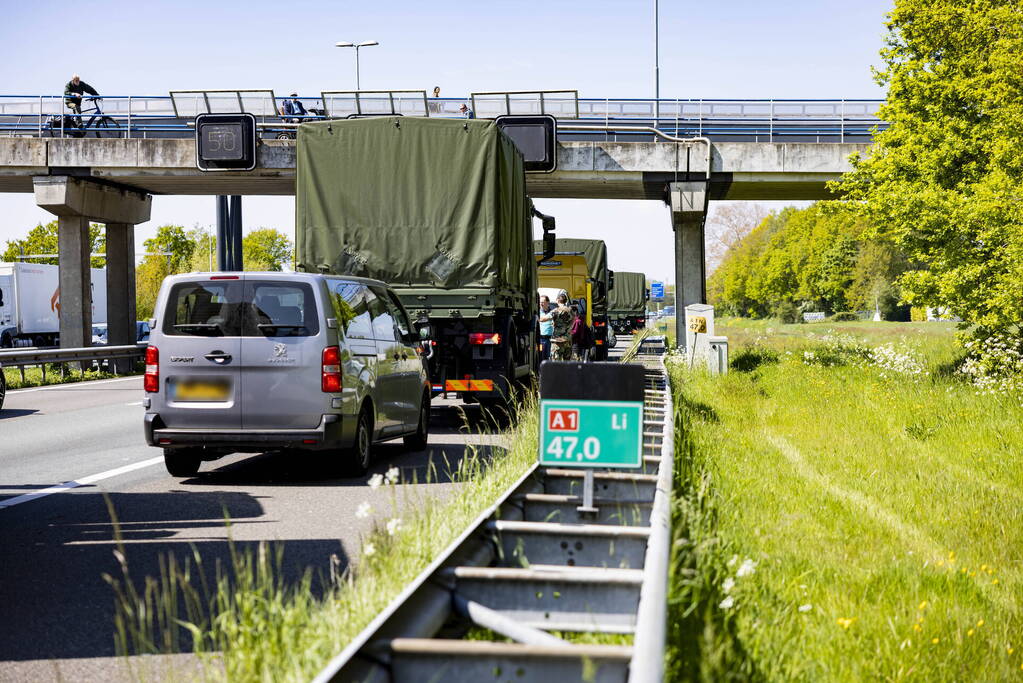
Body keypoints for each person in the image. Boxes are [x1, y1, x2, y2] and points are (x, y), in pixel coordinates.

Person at [549, 293, 573, 361]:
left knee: (556, 363)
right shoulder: (570, 310)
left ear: (557, 300)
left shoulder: (556, 311)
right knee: (567, 363)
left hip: (557, 341)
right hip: (568, 340)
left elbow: (543, 319)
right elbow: (574, 320)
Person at [538, 295, 553, 361]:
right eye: (540, 302)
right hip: (541, 340)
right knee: (540, 356)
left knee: (549, 357)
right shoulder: (538, 313)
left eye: (543, 302)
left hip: (550, 340)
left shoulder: (552, 313)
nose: (541, 304)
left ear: (548, 302)